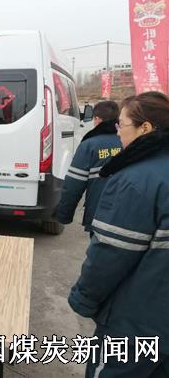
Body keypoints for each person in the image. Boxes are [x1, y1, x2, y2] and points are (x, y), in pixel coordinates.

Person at [69, 92, 169, 377]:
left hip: (136, 321)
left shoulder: (134, 181)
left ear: (145, 128)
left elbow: (110, 255)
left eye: (122, 124)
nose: (117, 131)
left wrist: (84, 298)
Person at [55, 100, 121, 232]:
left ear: (97, 119)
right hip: (124, 213)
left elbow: (74, 184)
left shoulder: (89, 145)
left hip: (98, 212)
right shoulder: (128, 142)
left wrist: (64, 215)